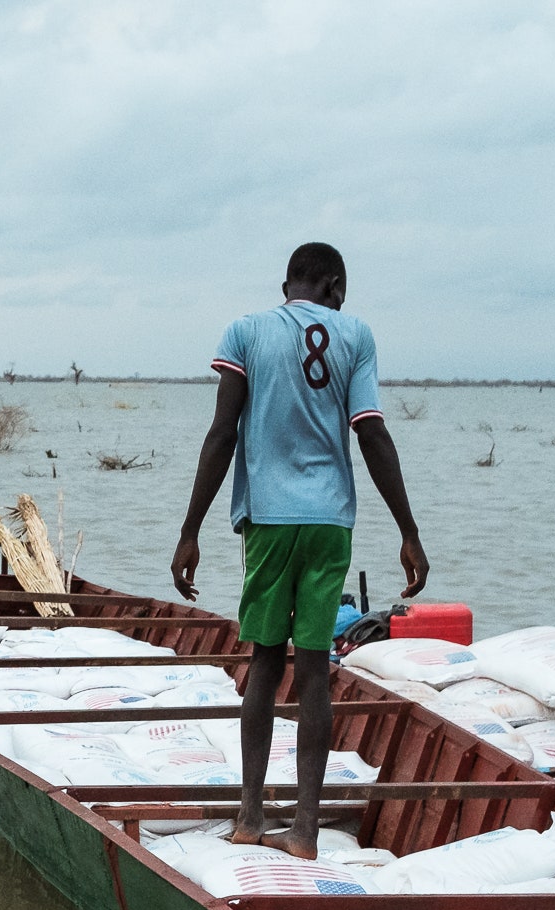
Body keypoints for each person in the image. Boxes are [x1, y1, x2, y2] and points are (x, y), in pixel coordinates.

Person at [172, 242, 429, 860]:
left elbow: (222, 434)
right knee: (315, 670)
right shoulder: (355, 335)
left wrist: (190, 530)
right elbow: (372, 431)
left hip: (267, 519)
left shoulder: (247, 332)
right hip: (329, 520)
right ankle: (308, 830)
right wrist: (409, 530)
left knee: (264, 663)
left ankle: (250, 816)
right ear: (334, 285)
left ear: (287, 283)